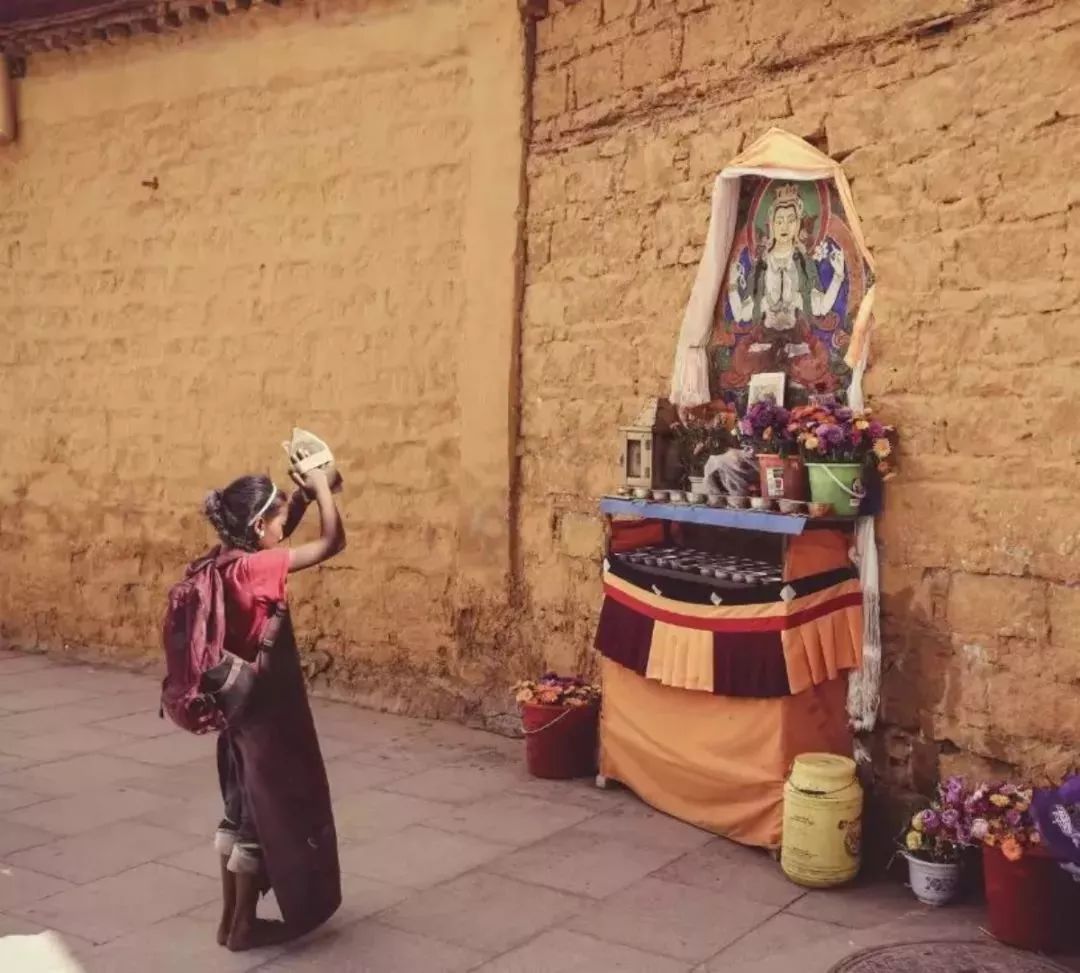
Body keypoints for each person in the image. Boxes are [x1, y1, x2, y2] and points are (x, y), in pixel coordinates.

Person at [201, 459, 345, 951]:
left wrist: (299, 499)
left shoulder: (221, 560)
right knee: (259, 819)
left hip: (233, 708)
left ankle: (228, 921)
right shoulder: (255, 569)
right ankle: (243, 925)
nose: (283, 530)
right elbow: (331, 543)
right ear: (259, 525)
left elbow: (273, 547)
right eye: (278, 521)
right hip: (266, 714)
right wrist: (325, 488)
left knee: (236, 806)